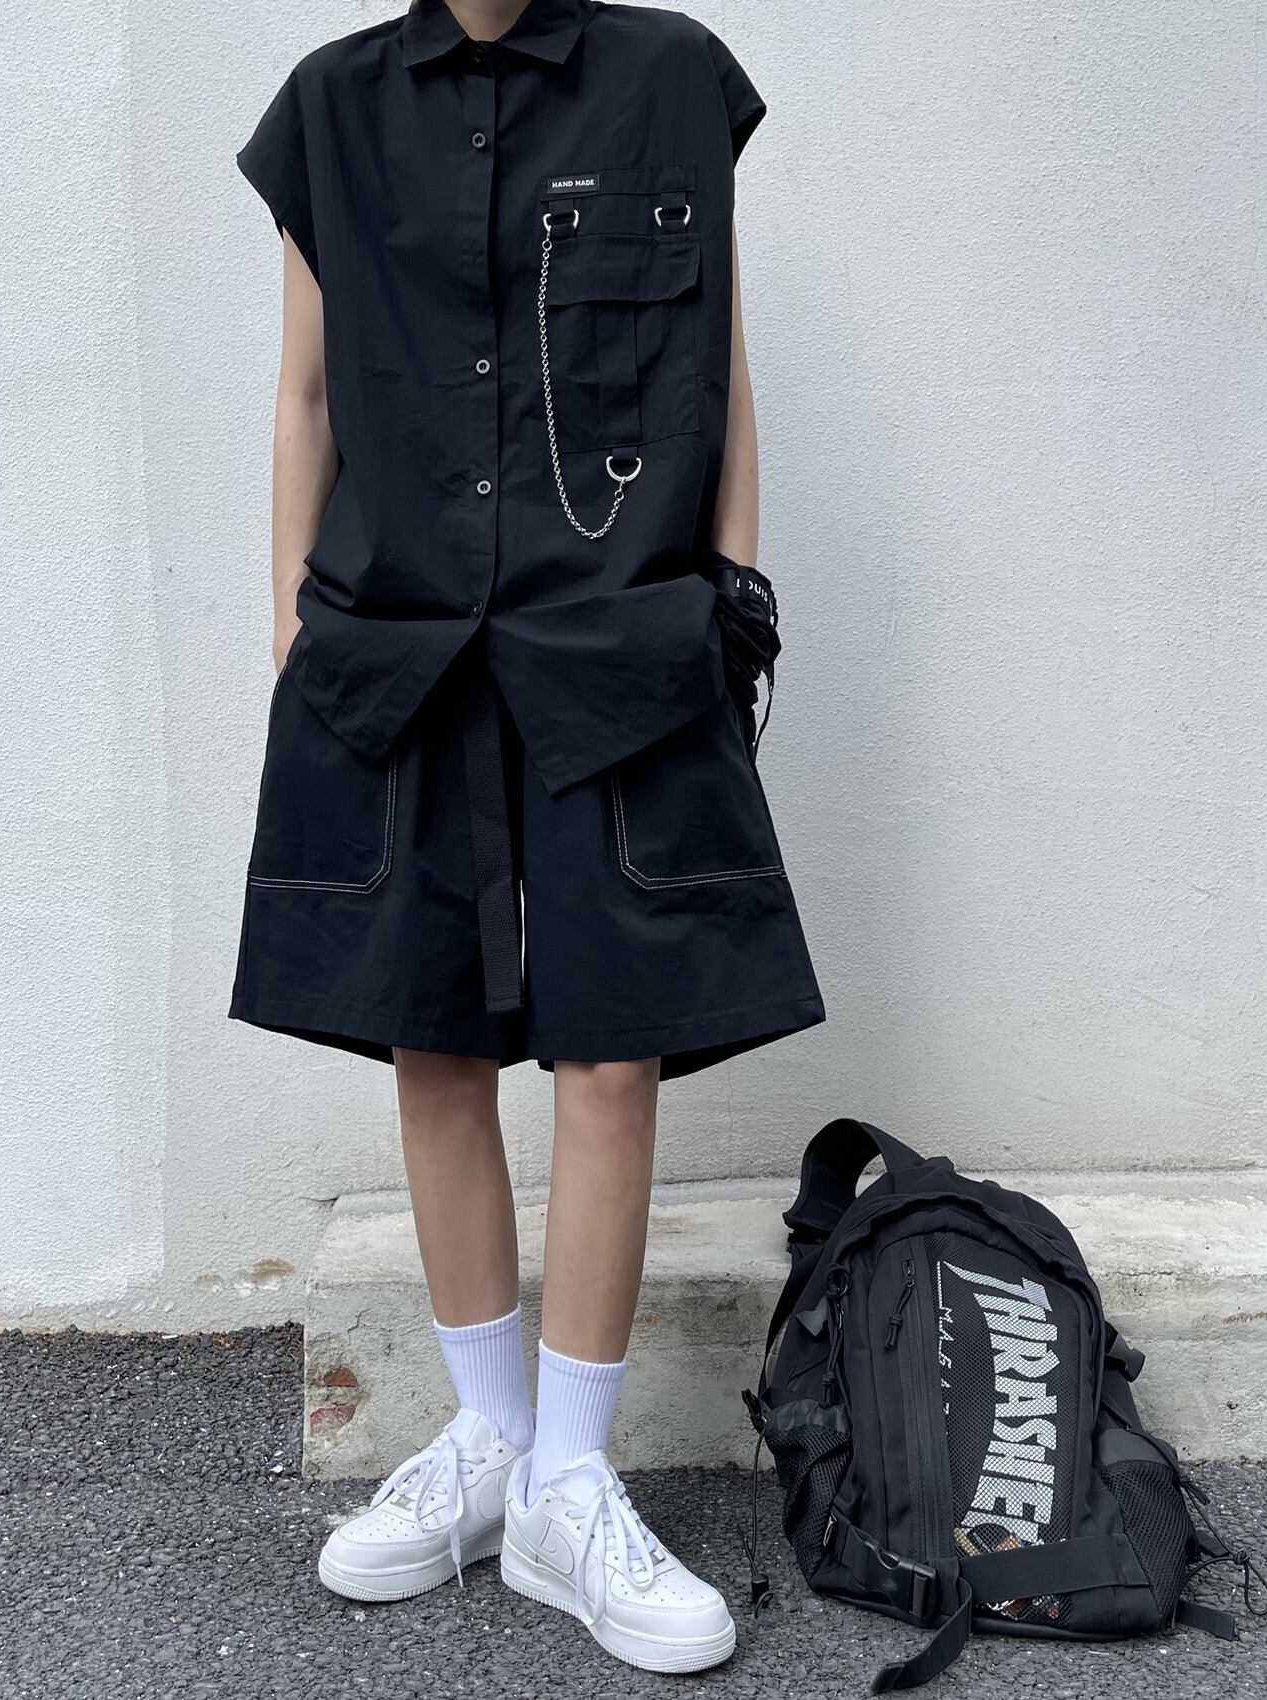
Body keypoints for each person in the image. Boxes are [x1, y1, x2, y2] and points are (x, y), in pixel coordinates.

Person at [230, 0, 824, 1672]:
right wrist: (290, 632)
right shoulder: (331, 109)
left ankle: (572, 1479)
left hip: (615, 642)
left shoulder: (669, 79)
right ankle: (489, 1440)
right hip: (396, 645)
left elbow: (718, 365)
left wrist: (730, 598)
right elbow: (304, 390)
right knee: (431, 1043)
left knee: (613, 1057)